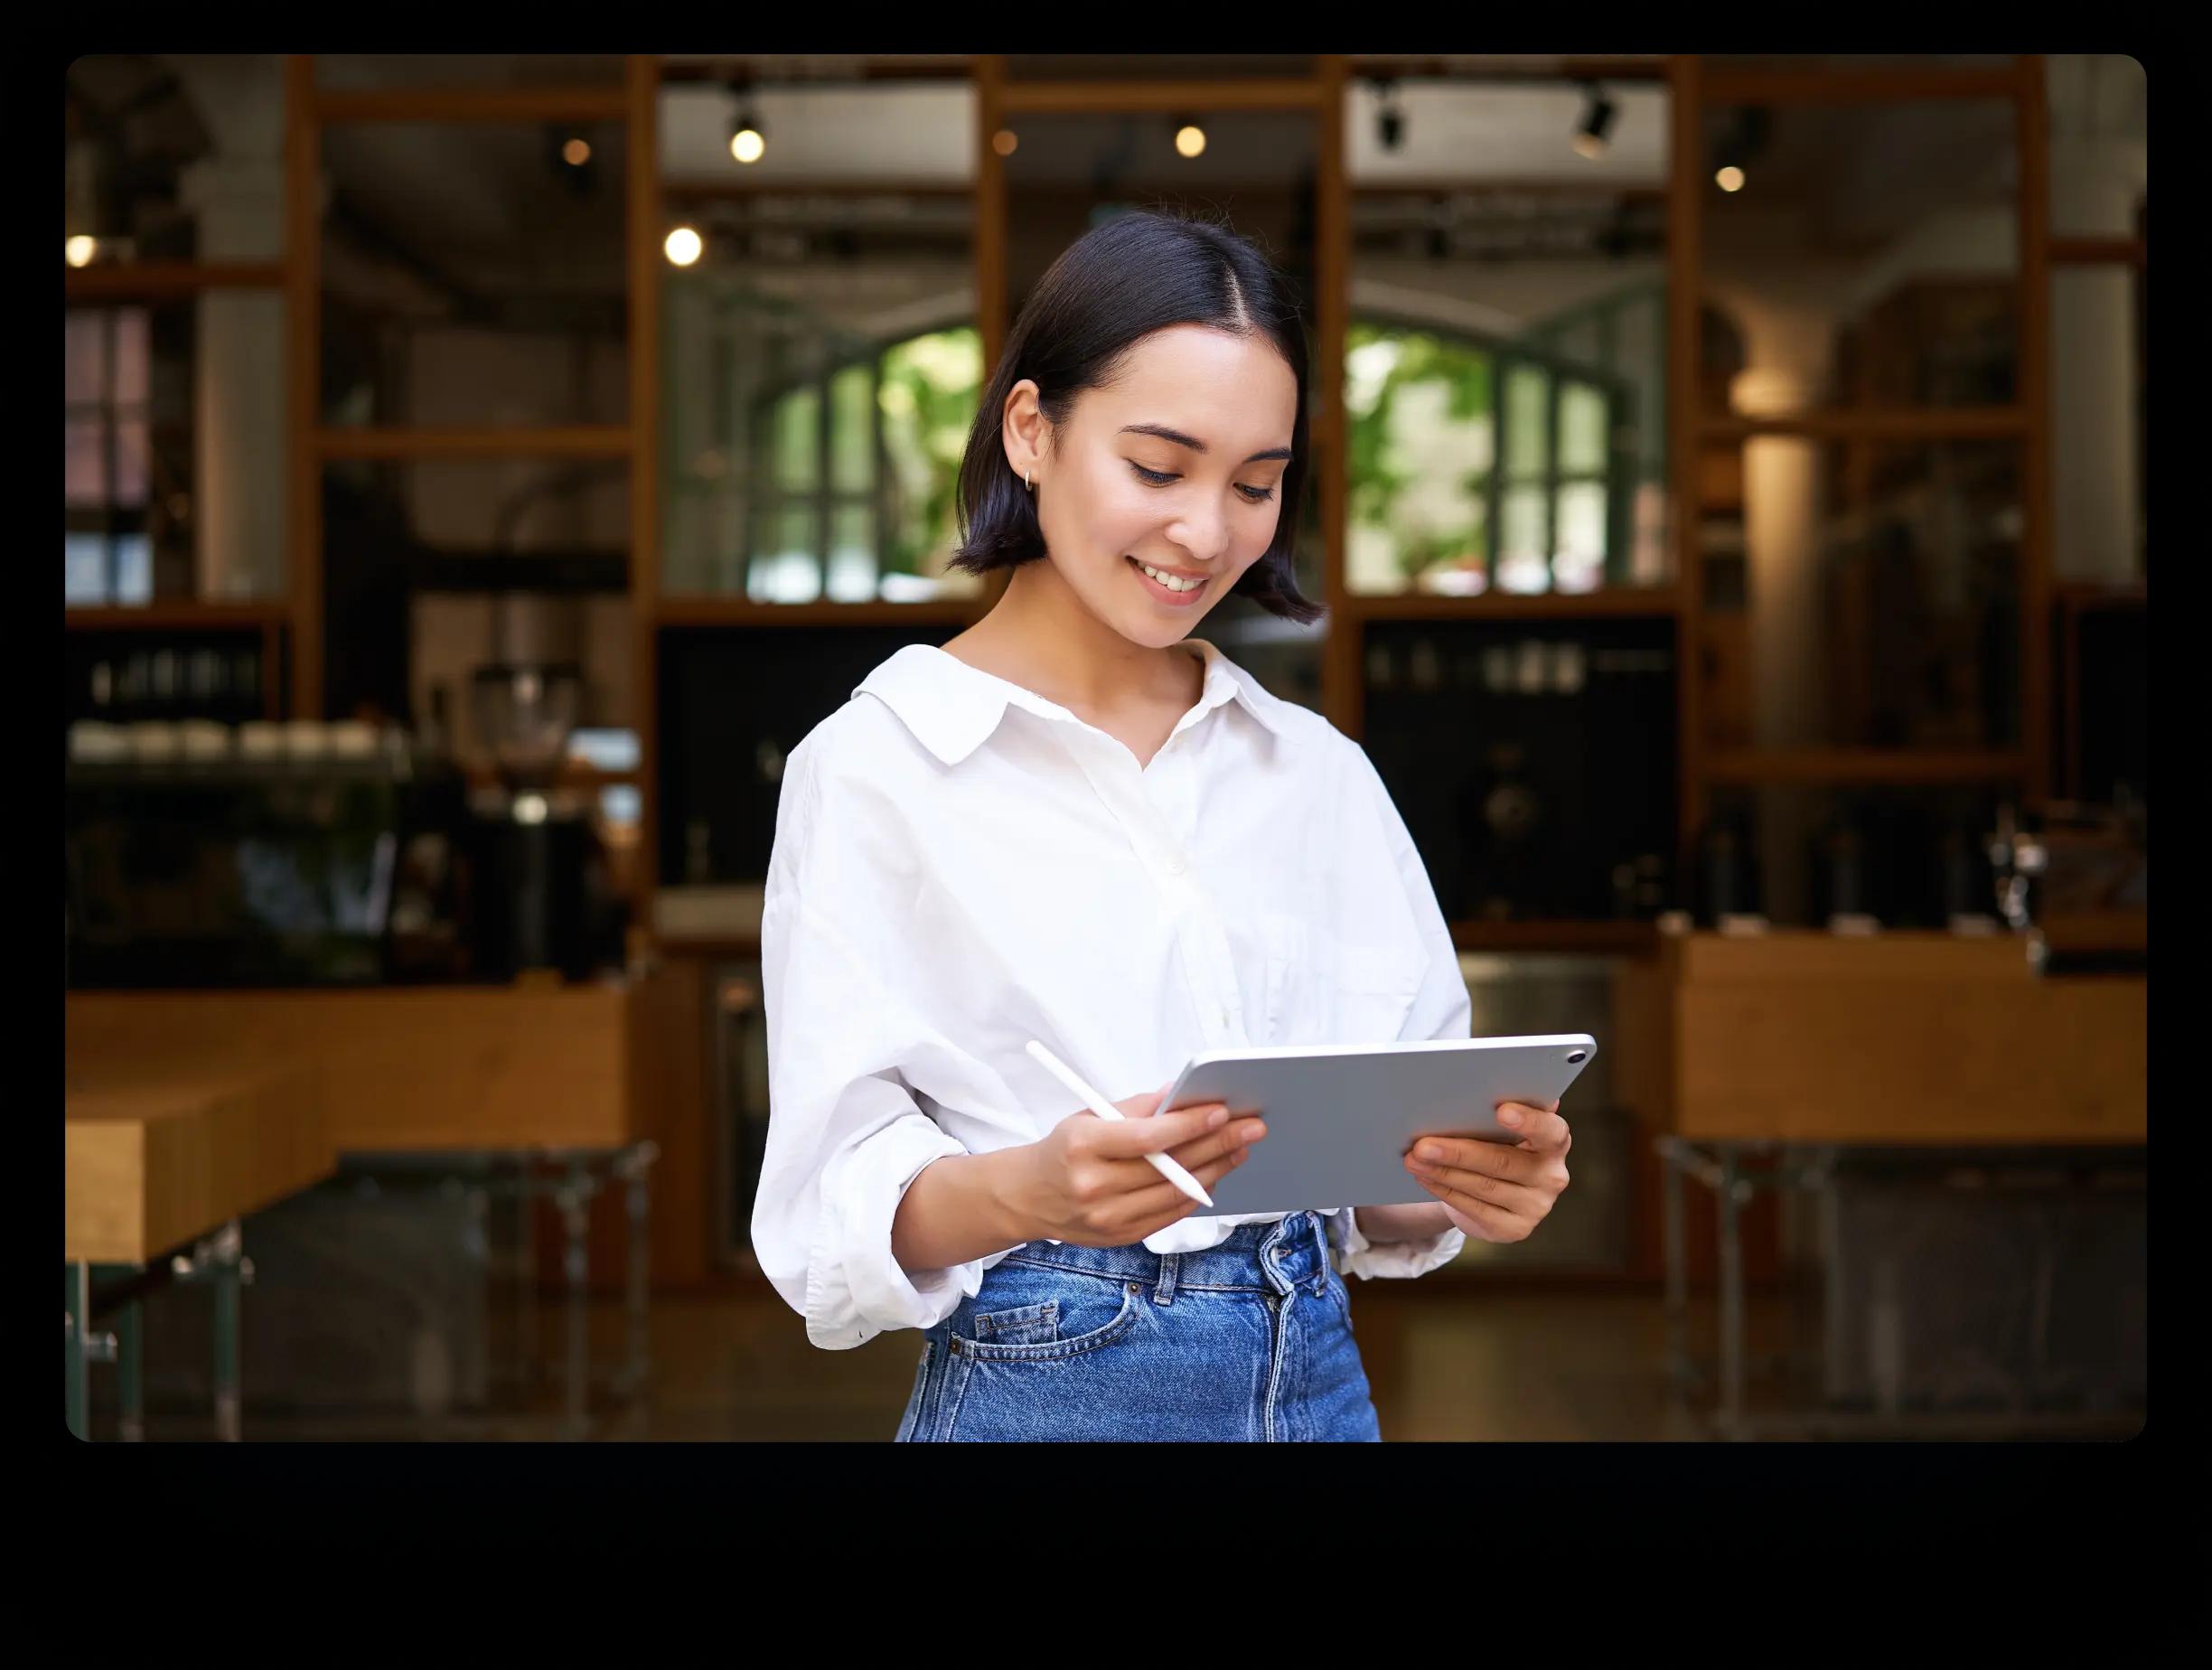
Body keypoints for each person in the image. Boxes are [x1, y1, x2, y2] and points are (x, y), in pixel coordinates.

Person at [753, 209, 1573, 1441]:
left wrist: (1469, 1190)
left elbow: (1384, 1191)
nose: (1207, 533)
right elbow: (830, 1218)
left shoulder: (1313, 772)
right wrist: (1027, 1190)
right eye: (1158, 467)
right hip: (1040, 1375)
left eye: (1256, 483)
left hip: (1318, 1382)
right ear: (1032, 431)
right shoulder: (876, 769)